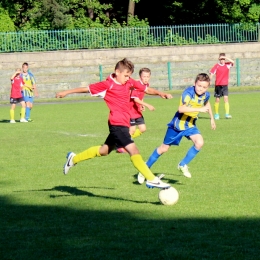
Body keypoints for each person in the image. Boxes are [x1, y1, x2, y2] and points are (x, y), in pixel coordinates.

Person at [56, 58, 173, 189]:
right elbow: (86, 89)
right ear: (117, 72)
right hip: (117, 124)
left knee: (104, 150)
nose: (128, 78)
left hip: (124, 123)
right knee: (133, 150)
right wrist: (66, 92)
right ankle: (151, 179)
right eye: (126, 75)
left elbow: (145, 89)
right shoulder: (107, 85)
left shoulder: (129, 82)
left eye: (129, 75)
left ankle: (73, 159)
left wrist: (160, 93)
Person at [137, 73, 216, 183]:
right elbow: (181, 109)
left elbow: (207, 104)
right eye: (199, 86)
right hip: (177, 125)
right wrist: (199, 110)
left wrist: (212, 118)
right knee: (164, 148)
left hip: (190, 124)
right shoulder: (188, 93)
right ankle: (144, 169)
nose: (201, 89)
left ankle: (182, 165)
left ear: (208, 87)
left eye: (204, 87)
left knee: (199, 143)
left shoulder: (206, 94)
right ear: (195, 83)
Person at [116, 67, 156, 153]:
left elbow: (140, 97)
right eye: (144, 76)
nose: (145, 78)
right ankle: (122, 145)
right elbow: (135, 99)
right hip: (130, 110)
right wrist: (147, 105)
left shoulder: (146, 85)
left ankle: (123, 141)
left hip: (137, 110)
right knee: (132, 130)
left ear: (150, 77)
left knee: (143, 128)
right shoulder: (136, 85)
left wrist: (141, 104)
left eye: (147, 76)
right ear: (140, 76)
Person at [209, 53, 234, 120]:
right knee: (217, 100)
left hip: (225, 85)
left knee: (226, 99)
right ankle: (216, 114)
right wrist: (209, 81)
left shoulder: (227, 65)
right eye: (221, 59)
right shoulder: (216, 66)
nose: (222, 60)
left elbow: (233, 62)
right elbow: (211, 74)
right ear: (219, 59)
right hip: (218, 85)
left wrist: (226, 57)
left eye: (223, 59)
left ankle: (227, 114)